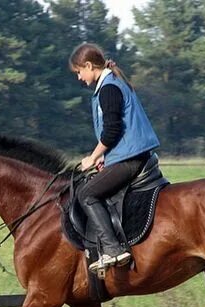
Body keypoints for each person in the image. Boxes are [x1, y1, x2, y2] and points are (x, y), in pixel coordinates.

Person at [69, 43, 160, 273]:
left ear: (89, 66)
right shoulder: (109, 85)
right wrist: (105, 157)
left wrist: (93, 157)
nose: (79, 77)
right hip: (126, 156)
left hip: (131, 160)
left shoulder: (109, 88)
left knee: (86, 194)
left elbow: (112, 132)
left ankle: (113, 249)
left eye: (79, 71)